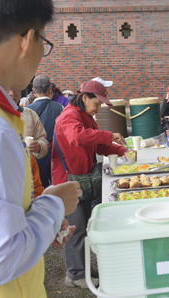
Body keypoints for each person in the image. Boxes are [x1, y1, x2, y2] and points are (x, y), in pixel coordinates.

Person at [0, 0, 81, 296]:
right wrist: (53, 204)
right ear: (27, 39)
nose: (42, 56)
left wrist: (40, 228)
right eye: (45, 43)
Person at [51, 79, 128, 289]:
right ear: (85, 98)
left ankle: (80, 269)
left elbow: (98, 145)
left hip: (81, 179)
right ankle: (75, 275)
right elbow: (77, 137)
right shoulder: (69, 116)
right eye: (98, 103)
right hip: (68, 181)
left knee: (84, 226)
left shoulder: (86, 116)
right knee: (75, 230)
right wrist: (109, 135)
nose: (99, 107)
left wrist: (122, 151)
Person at [26, 75, 64, 187]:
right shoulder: (60, 108)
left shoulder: (27, 111)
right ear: (49, 90)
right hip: (56, 155)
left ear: (33, 91)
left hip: (35, 157)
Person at [8, 89, 50, 160]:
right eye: (8, 89)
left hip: (26, 167)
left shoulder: (30, 114)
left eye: (16, 89)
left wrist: (39, 147)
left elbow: (43, 140)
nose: (12, 93)